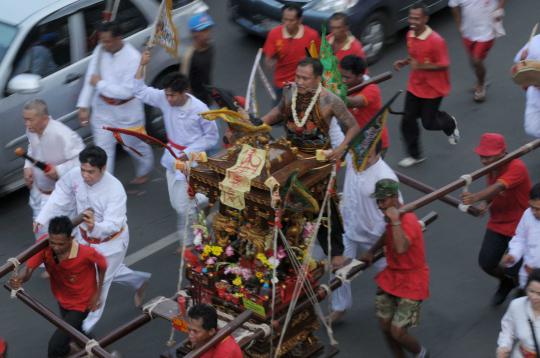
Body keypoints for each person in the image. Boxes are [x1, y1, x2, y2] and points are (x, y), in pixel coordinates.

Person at [35, 145, 151, 333]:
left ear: (103, 169)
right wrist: (42, 217)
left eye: (91, 172)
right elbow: (61, 195)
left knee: (97, 285)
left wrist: (95, 227)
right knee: (108, 272)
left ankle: (82, 331)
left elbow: (114, 224)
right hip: (83, 238)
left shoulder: (115, 190)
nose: (85, 175)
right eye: (83, 170)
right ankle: (138, 281)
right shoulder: (75, 175)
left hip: (111, 243)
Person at [134, 50, 219, 245]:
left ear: (184, 92)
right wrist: (142, 64)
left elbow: (212, 137)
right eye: (167, 95)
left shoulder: (200, 110)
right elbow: (139, 91)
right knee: (179, 204)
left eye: (173, 95)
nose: (169, 99)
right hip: (172, 158)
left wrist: (189, 153)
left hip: (193, 160)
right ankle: (203, 216)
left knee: (184, 207)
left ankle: (190, 242)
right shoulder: (164, 100)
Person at [9, 216, 107, 358]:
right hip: (63, 300)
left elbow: (103, 265)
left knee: (55, 348)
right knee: (77, 334)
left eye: (61, 244)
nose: (55, 247)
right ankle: (104, 354)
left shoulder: (86, 253)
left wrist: (98, 293)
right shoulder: (44, 246)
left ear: (70, 238)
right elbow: (28, 270)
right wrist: (19, 280)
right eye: (52, 242)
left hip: (82, 304)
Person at [328, 141, 399, 324]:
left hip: (375, 235)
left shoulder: (385, 176)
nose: (363, 160)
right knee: (338, 266)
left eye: (367, 156)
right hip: (350, 227)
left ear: (378, 154)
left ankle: (395, 300)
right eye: (360, 155)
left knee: (387, 272)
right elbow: (338, 133)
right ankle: (339, 307)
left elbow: (396, 209)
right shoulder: (354, 158)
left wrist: (379, 240)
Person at [77, 21, 154, 183]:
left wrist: (100, 84)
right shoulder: (100, 49)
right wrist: (84, 105)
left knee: (133, 147)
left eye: (107, 41)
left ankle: (144, 169)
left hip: (127, 112)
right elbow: (91, 76)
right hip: (102, 111)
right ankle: (104, 187)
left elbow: (126, 92)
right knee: (102, 152)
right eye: (101, 41)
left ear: (119, 38)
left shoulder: (134, 59)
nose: (103, 45)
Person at [361, 179, 429, 358]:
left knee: (397, 331)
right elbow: (387, 234)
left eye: (383, 201)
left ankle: (421, 353)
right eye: (378, 201)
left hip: (413, 279)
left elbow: (400, 248)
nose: (379, 205)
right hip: (393, 276)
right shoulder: (392, 218)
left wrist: (395, 221)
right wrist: (371, 251)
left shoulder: (408, 221)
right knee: (384, 326)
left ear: (393, 198)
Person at [461, 133, 531, 305]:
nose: (484, 161)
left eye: (488, 156)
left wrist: (474, 197)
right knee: (487, 262)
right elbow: (493, 191)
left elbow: (499, 186)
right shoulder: (492, 166)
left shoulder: (517, 166)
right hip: (499, 222)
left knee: (518, 268)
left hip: (520, 224)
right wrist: (485, 204)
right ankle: (508, 282)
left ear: (502, 153)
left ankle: (526, 291)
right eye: (482, 156)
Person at [393, 1, 460, 168]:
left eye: (417, 18)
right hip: (415, 85)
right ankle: (415, 155)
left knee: (429, 123)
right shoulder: (410, 35)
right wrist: (405, 61)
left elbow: (444, 64)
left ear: (425, 19)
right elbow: (414, 55)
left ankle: (449, 123)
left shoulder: (436, 41)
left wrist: (420, 66)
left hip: (433, 88)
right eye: (411, 18)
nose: (413, 21)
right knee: (407, 121)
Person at [22, 99, 84, 239]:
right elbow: (32, 148)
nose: (26, 124)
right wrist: (27, 167)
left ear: (44, 118)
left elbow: (82, 160)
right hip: (39, 194)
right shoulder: (31, 130)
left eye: (30, 120)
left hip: (61, 197)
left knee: (68, 238)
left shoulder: (63, 134)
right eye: (25, 120)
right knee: (42, 236)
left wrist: (59, 170)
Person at [449, 0, 506, 102]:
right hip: (468, 32)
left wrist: (499, 8)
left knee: (477, 60)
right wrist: (459, 26)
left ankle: (481, 85)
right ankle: (481, 78)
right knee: (472, 61)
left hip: (487, 31)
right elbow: (454, 6)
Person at [263, 4, 320, 99]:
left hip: (303, 86)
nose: (287, 23)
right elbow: (268, 61)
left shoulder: (311, 36)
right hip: (282, 85)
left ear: (300, 20)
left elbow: (316, 61)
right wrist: (271, 60)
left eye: (291, 20)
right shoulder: (274, 34)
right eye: (285, 19)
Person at [340, 54, 389, 152]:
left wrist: (335, 95)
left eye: (347, 77)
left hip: (374, 143)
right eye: (341, 76)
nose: (342, 80)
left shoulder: (372, 89)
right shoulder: (345, 84)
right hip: (355, 141)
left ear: (359, 76)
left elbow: (355, 102)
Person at [502, 183, 540, 290]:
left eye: (538, 209)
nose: (534, 212)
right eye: (532, 207)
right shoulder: (527, 215)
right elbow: (520, 239)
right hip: (527, 277)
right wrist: (513, 255)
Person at [497, 268, 540, 358]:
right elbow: (508, 328)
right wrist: (504, 346)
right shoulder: (517, 305)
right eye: (531, 291)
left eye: (539, 294)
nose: (534, 297)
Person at [180, 12, 215, 106]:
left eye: (208, 29)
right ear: (194, 33)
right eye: (203, 30)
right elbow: (184, 83)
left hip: (209, 98)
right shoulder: (189, 56)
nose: (207, 34)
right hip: (197, 105)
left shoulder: (210, 47)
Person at [514, 33, 540, 138]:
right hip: (535, 93)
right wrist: (522, 59)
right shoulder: (535, 41)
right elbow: (518, 64)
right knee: (532, 129)